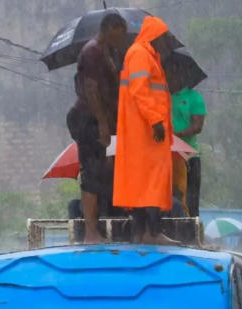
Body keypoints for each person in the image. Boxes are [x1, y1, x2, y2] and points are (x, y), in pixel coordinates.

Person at [114, 16, 178, 244]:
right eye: (163, 37)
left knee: (142, 183)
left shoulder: (144, 55)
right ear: (154, 36)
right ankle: (152, 232)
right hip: (146, 131)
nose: (166, 41)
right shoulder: (140, 54)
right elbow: (140, 91)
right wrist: (155, 121)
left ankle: (142, 232)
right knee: (152, 181)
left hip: (143, 130)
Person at [66, 14, 128, 244]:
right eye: (120, 33)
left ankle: (100, 227)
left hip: (106, 121)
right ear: (110, 28)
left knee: (106, 172)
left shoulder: (108, 53)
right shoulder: (91, 51)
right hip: (88, 119)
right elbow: (91, 89)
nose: (121, 39)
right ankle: (91, 233)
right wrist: (102, 122)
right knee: (91, 174)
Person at [169, 82, 206, 217]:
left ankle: (191, 228)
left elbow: (197, 126)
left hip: (189, 155)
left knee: (191, 198)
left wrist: (176, 135)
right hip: (167, 156)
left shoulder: (195, 98)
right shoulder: (163, 96)